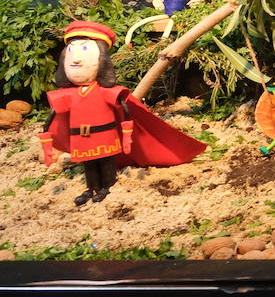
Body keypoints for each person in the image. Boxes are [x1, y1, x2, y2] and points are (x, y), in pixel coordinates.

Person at [40, 21, 206, 206]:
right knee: (89, 165)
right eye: (71, 51)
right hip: (81, 139)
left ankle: (106, 186)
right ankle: (90, 188)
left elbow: (126, 111)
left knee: (106, 162)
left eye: (85, 49)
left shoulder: (106, 92)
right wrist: (47, 138)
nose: (76, 60)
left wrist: (127, 135)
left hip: (105, 136)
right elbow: (55, 116)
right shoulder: (68, 95)